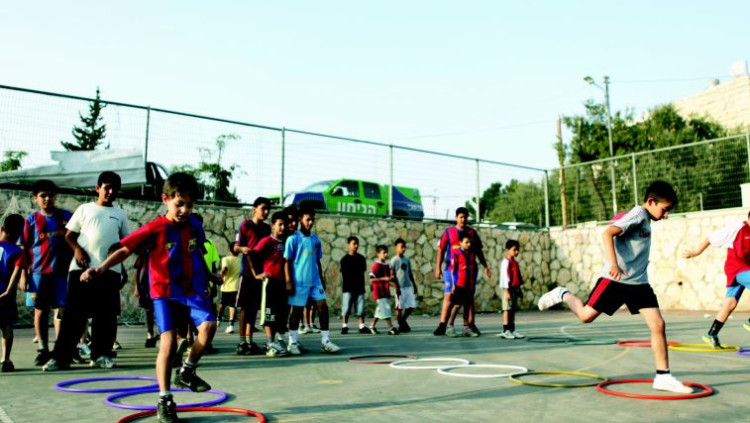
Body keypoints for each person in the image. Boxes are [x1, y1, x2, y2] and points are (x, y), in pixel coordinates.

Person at [79, 172, 217, 423]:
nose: (184, 210)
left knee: (209, 327)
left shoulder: (194, 226)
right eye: (179, 204)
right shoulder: (156, 228)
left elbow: (197, 252)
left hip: (191, 290)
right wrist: (100, 268)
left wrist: (210, 276)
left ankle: (187, 371)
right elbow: (124, 249)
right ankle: (165, 400)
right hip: (163, 292)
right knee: (168, 343)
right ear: (165, 200)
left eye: (189, 205)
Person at [537, 180, 692, 394]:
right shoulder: (638, 215)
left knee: (658, 324)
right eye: (665, 209)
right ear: (651, 202)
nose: (666, 215)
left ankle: (663, 376)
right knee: (585, 316)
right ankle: (562, 294)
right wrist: (613, 264)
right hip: (615, 280)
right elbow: (608, 233)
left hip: (639, 283)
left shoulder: (647, 219)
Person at [43, 171, 130, 371]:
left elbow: (126, 242)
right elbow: (69, 235)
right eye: (107, 187)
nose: (110, 192)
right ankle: (61, 358)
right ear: (98, 188)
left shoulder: (120, 214)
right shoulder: (85, 209)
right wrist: (77, 250)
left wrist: (118, 249)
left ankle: (101, 355)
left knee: (106, 315)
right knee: (74, 314)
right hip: (81, 268)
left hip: (109, 270)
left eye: (114, 189)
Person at [20, 180, 73, 366]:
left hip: (62, 273)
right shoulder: (31, 220)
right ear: (35, 198)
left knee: (61, 310)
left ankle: (61, 348)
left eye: (51, 195)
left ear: (55, 196)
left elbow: (77, 239)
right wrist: (23, 274)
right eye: (43, 195)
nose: (47, 199)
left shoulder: (66, 217)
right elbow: (23, 248)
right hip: (39, 273)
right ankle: (43, 348)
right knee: (41, 310)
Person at [683, 210, 750, 348]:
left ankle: (711, 334)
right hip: (736, 268)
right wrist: (696, 252)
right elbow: (711, 238)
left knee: (730, 303)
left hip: (746, 269)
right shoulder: (737, 228)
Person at [284, 207, 340, 354]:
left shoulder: (316, 240)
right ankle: (292, 343)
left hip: (315, 282)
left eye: (312, 219)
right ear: (300, 219)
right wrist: (288, 281)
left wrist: (321, 279)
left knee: (323, 308)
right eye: (308, 219)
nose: (310, 222)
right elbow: (287, 262)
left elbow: (317, 261)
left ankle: (325, 341)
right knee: (296, 312)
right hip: (299, 282)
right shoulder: (293, 239)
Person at [433, 207, 491, 336]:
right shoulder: (449, 232)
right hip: (452, 271)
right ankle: (443, 325)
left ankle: (470, 325)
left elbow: (479, 251)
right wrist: (438, 268)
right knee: (449, 296)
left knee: (469, 298)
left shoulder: (472, 233)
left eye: (465, 217)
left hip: (469, 272)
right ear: (456, 218)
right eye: (461, 217)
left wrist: (485, 266)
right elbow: (441, 249)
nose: (463, 219)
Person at [234, 197, 271, 355]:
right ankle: (242, 342)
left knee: (255, 307)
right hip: (248, 273)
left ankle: (249, 340)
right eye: (263, 208)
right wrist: (243, 249)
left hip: (262, 273)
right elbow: (236, 246)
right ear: (254, 209)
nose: (266, 212)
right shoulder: (245, 225)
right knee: (245, 307)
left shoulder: (267, 228)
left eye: (268, 209)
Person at [250, 212, 289, 357]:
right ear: (272, 225)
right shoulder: (266, 241)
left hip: (282, 284)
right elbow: (251, 255)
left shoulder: (285, 242)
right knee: (269, 314)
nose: (282, 227)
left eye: (284, 225)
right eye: (280, 224)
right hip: (270, 283)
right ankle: (270, 343)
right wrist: (257, 273)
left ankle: (278, 341)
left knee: (280, 314)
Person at [0, 214, 27, 372]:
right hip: (5, 294)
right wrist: (9, 291)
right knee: (7, 326)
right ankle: (5, 359)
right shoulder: (18, 251)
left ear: (2, 229)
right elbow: (16, 274)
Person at [446, 234, 476, 337]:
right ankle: (450, 326)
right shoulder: (456, 254)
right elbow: (452, 270)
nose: (469, 244)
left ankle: (465, 328)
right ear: (460, 243)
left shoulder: (469, 255)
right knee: (457, 305)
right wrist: (453, 285)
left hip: (468, 285)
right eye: (466, 242)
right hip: (459, 284)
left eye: (470, 242)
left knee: (467, 306)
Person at [340, 236, 368, 334]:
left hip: (359, 287)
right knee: (346, 308)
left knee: (360, 309)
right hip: (348, 288)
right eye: (354, 243)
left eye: (357, 244)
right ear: (349, 245)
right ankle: (344, 326)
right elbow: (344, 275)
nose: (356, 246)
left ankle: (361, 326)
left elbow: (363, 272)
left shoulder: (361, 259)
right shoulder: (344, 260)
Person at [368, 245, 399, 335]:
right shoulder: (376, 265)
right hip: (379, 292)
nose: (386, 254)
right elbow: (371, 279)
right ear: (378, 254)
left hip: (385, 291)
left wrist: (392, 280)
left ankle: (372, 326)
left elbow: (389, 277)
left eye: (386, 252)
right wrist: (383, 279)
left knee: (379, 310)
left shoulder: (386, 265)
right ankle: (391, 328)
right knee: (386, 308)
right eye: (383, 253)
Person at [497, 239, 524, 339]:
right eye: (514, 250)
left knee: (512, 310)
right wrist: (506, 291)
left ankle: (512, 329)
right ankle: (506, 330)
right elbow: (504, 278)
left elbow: (518, 277)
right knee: (507, 309)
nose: (516, 252)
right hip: (508, 289)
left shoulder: (515, 263)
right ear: (507, 250)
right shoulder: (506, 262)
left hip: (515, 289)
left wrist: (519, 290)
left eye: (517, 250)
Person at [390, 238, 417, 333]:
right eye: (402, 247)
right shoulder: (394, 260)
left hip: (407, 286)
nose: (404, 249)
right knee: (399, 308)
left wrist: (414, 284)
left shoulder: (407, 259)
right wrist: (396, 287)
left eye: (405, 247)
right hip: (399, 287)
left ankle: (402, 321)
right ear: (396, 247)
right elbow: (392, 276)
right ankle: (401, 325)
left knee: (411, 306)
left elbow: (409, 272)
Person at [134, 249, 157, 348]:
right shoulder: (145, 252)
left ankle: (162, 332)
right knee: (149, 310)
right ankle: (150, 333)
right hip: (147, 284)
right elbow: (138, 270)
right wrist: (137, 287)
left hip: (159, 282)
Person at [217, 242, 241, 334]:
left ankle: (218, 319)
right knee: (232, 306)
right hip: (235, 287)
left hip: (225, 286)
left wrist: (220, 276)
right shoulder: (240, 260)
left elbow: (224, 269)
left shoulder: (225, 259)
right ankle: (231, 325)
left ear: (229, 249)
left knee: (222, 304)